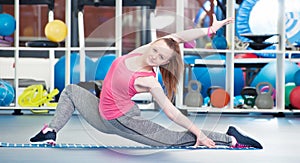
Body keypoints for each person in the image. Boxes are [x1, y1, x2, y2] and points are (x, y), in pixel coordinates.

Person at [30, 15, 263, 149]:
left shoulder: (148, 80)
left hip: (120, 121)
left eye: (161, 58)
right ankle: (51, 131)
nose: (154, 56)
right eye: (155, 50)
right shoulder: (142, 51)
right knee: (70, 90)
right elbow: (178, 37)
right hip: (102, 112)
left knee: (171, 141)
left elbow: (171, 112)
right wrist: (210, 29)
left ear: (164, 63)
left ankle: (230, 137)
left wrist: (197, 133)